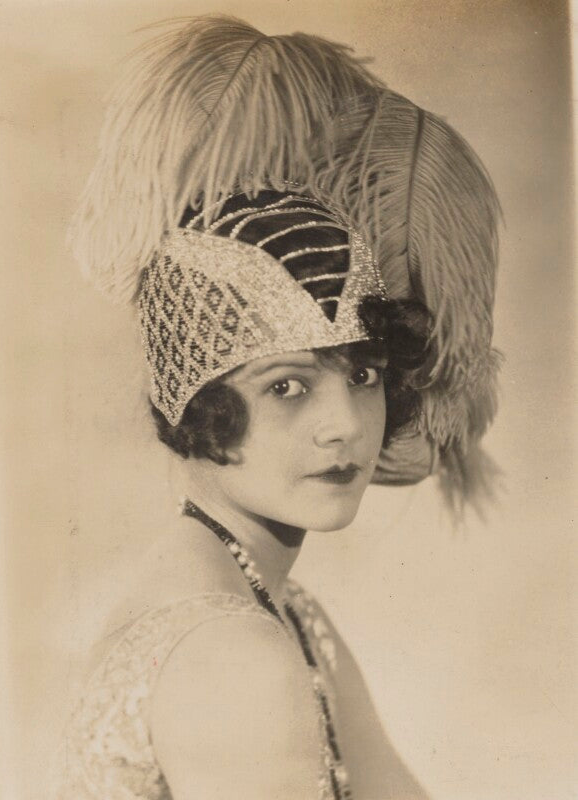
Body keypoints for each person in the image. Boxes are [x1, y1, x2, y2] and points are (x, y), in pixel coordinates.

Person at [57, 15, 500, 800]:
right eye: (287, 386)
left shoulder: (274, 605)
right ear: (199, 406)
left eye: (362, 373)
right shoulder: (235, 652)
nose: (345, 424)